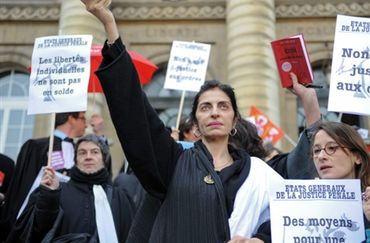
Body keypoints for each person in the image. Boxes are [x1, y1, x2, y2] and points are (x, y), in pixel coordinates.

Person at [82, 1, 284, 242]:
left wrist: (260, 239)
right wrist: (108, 23)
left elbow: (293, 213)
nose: (215, 112)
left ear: (235, 121)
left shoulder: (259, 172)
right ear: (195, 123)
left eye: (223, 106)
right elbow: (137, 113)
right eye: (205, 107)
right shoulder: (173, 162)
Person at [6, 134, 136, 243]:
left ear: (104, 159)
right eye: (82, 152)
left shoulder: (120, 197)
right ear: (75, 159)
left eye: (95, 152)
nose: (88, 156)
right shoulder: (56, 189)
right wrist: (49, 196)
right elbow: (35, 231)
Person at [0, 111, 86, 241]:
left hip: (68, 222)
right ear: (71, 119)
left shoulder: (82, 152)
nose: (86, 125)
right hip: (37, 220)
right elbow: (23, 188)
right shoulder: (36, 147)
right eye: (83, 119)